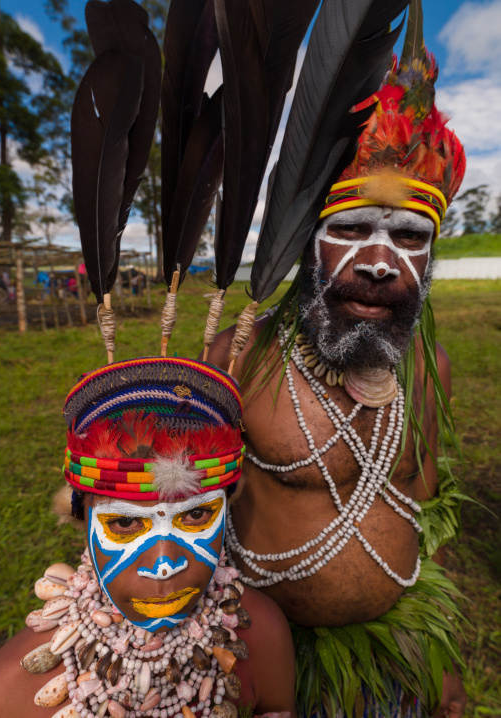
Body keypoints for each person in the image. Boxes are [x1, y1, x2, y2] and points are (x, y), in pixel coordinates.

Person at [206, 47, 468, 718]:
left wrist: (431, 655)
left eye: (409, 236)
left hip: (400, 649)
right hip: (273, 657)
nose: (381, 262)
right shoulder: (238, 356)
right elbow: (180, 518)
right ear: (305, 244)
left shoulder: (424, 367)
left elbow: (422, 495)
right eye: (350, 228)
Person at [0, 357, 296, 718]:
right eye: (124, 523)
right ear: (82, 518)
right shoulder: (11, 691)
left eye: (197, 515)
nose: (164, 564)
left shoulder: (262, 636)